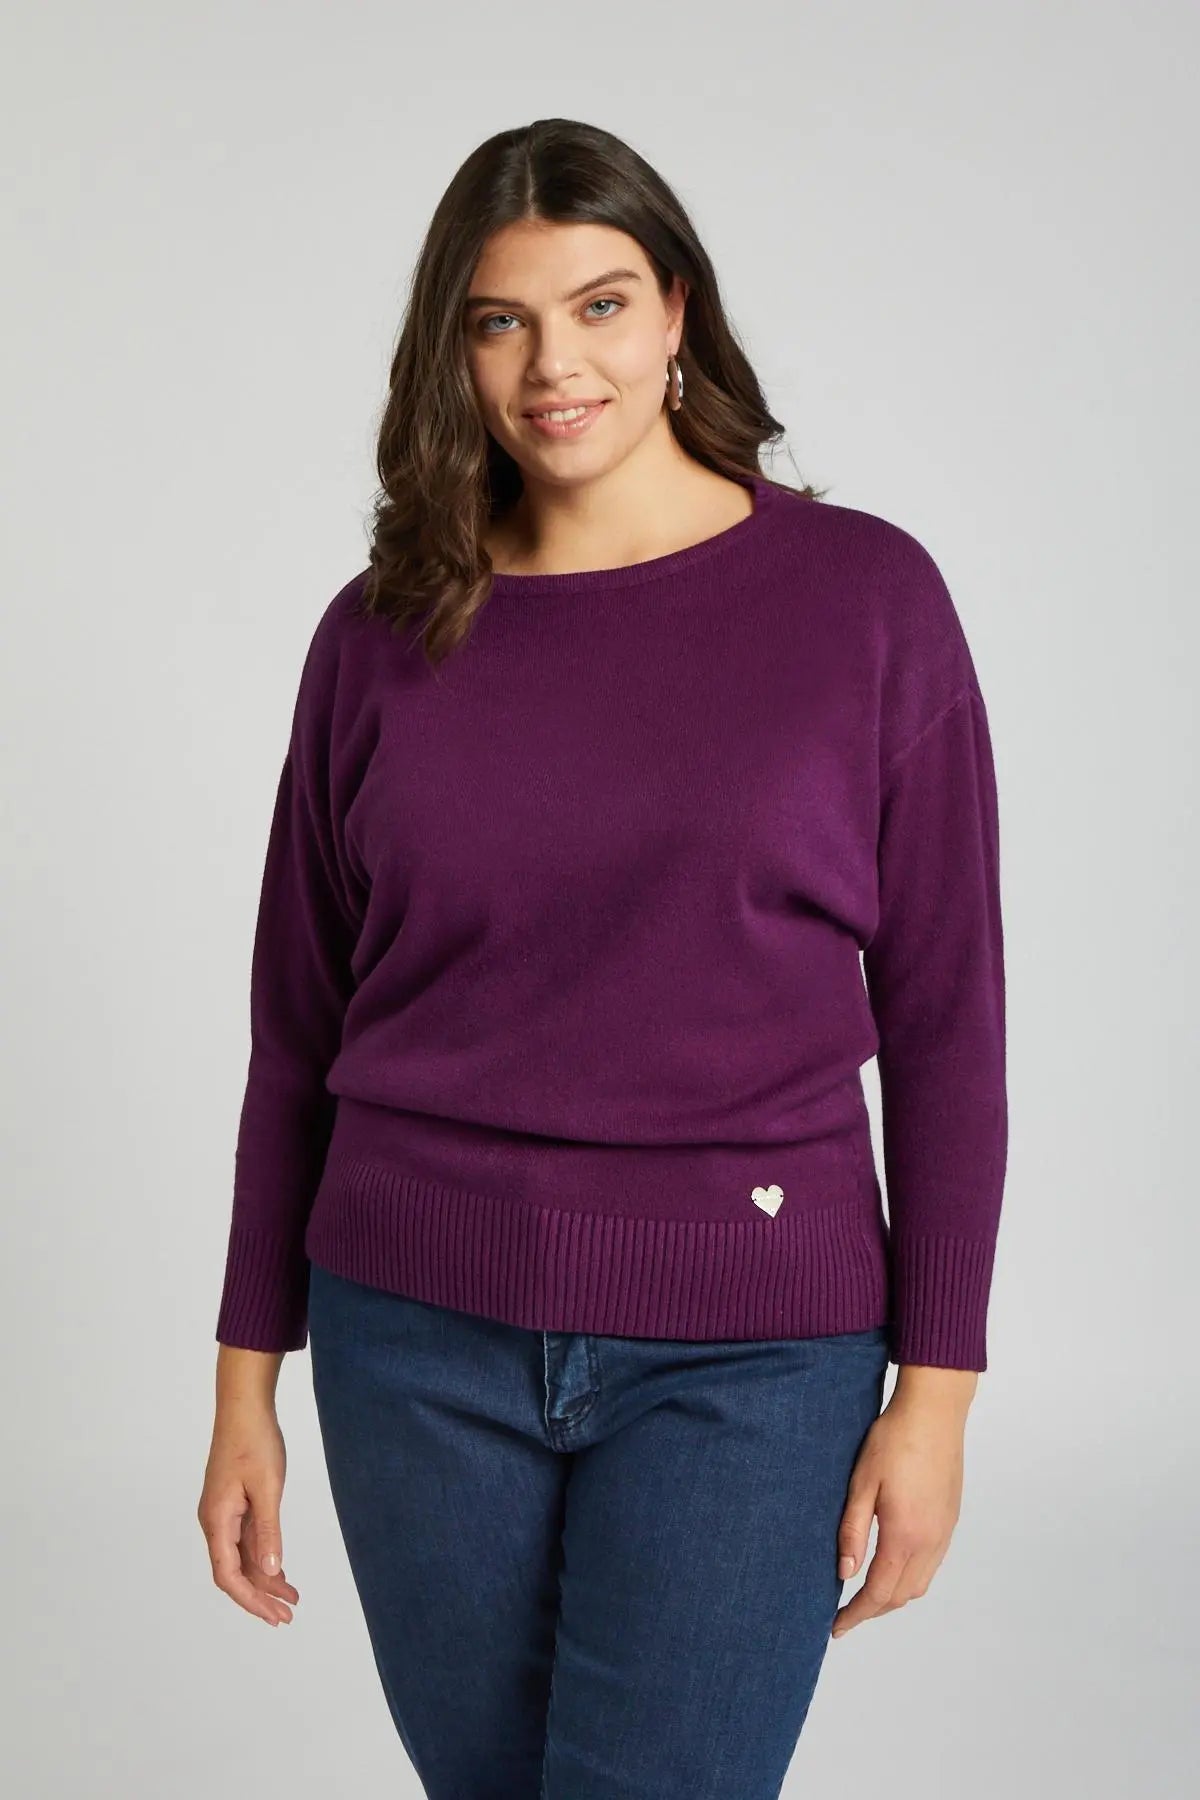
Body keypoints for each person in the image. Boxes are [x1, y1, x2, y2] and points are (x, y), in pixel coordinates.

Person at [197, 117, 1007, 1800]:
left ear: (678, 311)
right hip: (413, 1336)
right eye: (500, 320)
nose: (554, 365)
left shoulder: (864, 603)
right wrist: (244, 1384)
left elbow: (948, 1025)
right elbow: (296, 1032)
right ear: (451, 349)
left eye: (601, 305)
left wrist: (935, 1397)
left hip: (751, 1350)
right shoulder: (380, 632)